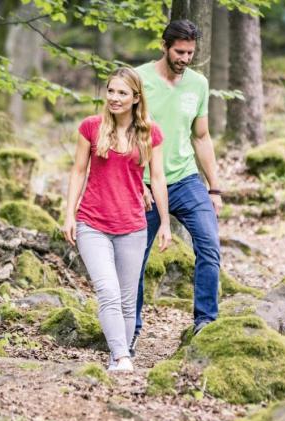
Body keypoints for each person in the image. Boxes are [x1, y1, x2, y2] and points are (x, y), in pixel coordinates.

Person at [62, 67, 172, 372]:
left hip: (133, 226)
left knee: (127, 299)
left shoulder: (150, 133)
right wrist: (69, 214)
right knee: (107, 291)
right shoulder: (91, 127)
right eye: (110, 91)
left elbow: (158, 178)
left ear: (136, 98)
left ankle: (117, 357)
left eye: (122, 93)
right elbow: (78, 172)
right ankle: (123, 357)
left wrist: (164, 222)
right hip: (92, 223)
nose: (114, 97)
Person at [131, 19, 223, 356]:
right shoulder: (139, 80)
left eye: (190, 53)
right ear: (165, 46)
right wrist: (131, 180)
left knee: (210, 244)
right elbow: (124, 132)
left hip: (185, 180)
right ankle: (131, 328)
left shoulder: (198, 84)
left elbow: (201, 136)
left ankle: (205, 321)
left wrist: (214, 188)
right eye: (179, 52)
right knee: (134, 260)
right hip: (142, 184)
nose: (185, 58)